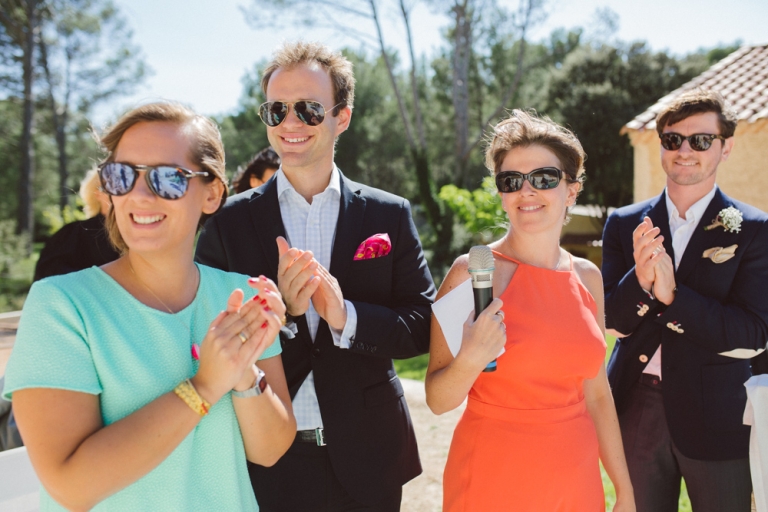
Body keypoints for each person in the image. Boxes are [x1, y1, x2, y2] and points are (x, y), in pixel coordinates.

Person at [3, 102, 296, 511]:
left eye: (168, 179)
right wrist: (205, 386)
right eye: (122, 176)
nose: (139, 195)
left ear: (211, 193)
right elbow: (70, 486)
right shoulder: (60, 306)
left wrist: (243, 373)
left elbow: (270, 450)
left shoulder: (242, 296)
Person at [195, 41, 435, 511]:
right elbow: (202, 338)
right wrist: (283, 317)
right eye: (276, 109)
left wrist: (344, 315)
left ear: (341, 117)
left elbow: (422, 323)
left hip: (371, 459)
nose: (290, 123)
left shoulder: (389, 213)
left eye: (308, 109)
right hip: (269, 459)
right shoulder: (227, 222)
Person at [426, 110, 635, 511]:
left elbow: (597, 393)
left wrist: (623, 490)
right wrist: (470, 358)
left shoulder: (588, 278)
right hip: (492, 479)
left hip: (575, 482)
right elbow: (437, 399)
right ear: (501, 192)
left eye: (543, 178)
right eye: (511, 181)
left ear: (571, 189)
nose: (527, 191)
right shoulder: (470, 272)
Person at [602, 88, 768, 512]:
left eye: (701, 140)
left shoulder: (755, 229)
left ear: (725, 147)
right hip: (636, 404)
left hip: (719, 410)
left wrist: (673, 298)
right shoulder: (623, 223)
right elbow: (612, 320)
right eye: (673, 139)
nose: (685, 151)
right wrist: (639, 282)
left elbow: (755, 332)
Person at [33, 168, 120, 281]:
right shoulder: (72, 234)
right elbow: (48, 277)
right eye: (112, 185)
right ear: (97, 193)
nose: (120, 192)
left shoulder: (142, 233)